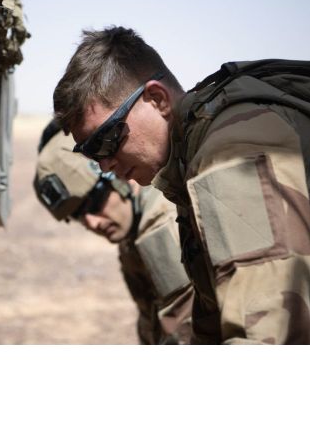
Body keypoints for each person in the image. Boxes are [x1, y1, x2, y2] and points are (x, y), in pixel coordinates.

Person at [52, 26, 310, 344]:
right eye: (91, 153)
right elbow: (210, 324)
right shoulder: (185, 166)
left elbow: (265, 335)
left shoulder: (231, 150)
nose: (105, 165)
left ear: (157, 99)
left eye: (106, 140)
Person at [34, 121, 193, 344]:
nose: (91, 222)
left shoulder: (159, 222)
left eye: (94, 202)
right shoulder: (133, 231)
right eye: (78, 215)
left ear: (117, 174)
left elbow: (189, 334)